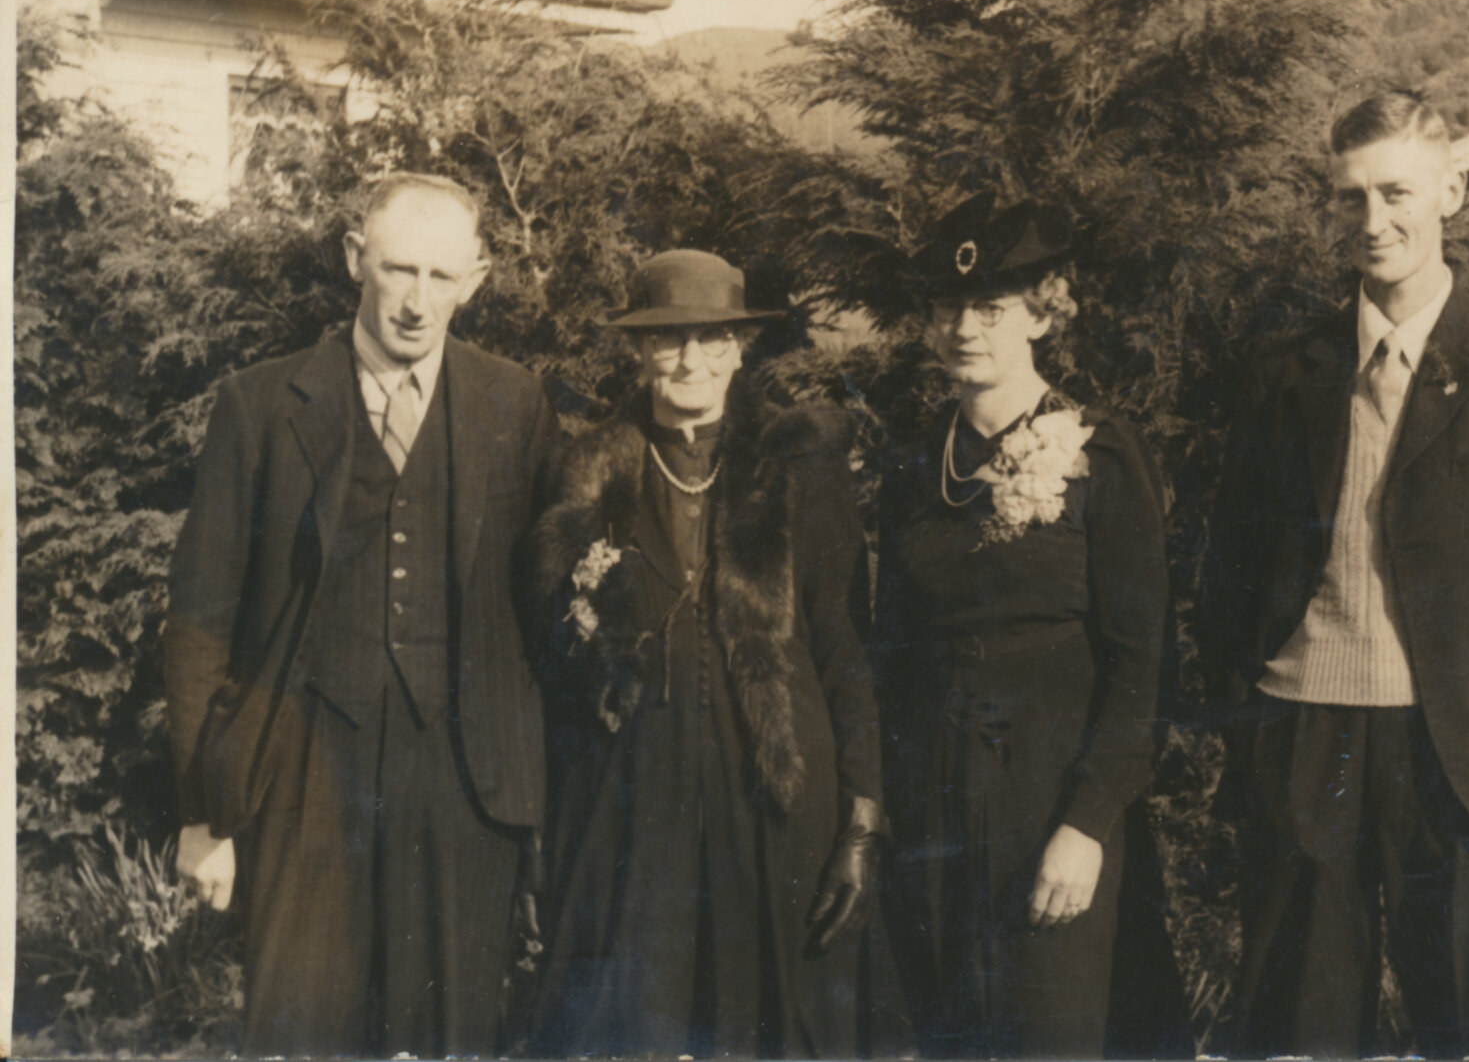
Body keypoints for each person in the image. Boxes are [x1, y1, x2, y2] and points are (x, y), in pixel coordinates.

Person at [1202, 91, 1469, 1057]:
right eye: (1349, 198)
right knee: (1301, 1040)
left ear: (1451, 193)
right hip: (1306, 745)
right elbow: (1227, 579)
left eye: (1396, 193)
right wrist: (1250, 743)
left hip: (1468, 769)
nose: (1373, 221)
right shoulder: (1283, 372)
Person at [163, 173, 562, 1057]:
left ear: (478, 279)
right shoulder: (261, 406)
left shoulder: (516, 405)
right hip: (305, 775)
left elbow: (547, 617)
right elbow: (199, 623)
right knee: (299, 1034)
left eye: (442, 277)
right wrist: (204, 814)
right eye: (398, 270)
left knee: (452, 1034)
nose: (418, 303)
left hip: (465, 785)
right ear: (355, 261)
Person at [522, 249, 885, 1058]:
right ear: (639, 352)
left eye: (710, 338)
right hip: (631, 806)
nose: (690, 359)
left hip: (771, 800)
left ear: (738, 348)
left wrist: (861, 820)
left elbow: (844, 649)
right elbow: (551, 674)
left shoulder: (800, 472)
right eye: (667, 339)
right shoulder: (585, 475)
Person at [872, 193, 1170, 1059]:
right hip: (934, 820)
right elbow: (890, 650)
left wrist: (1086, 825)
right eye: (949, 307)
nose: (965, 327)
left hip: (1054, 812)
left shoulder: (1101, 455)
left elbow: (1143, 667)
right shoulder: (911, 465)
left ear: (1043, 314)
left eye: (992, 308)